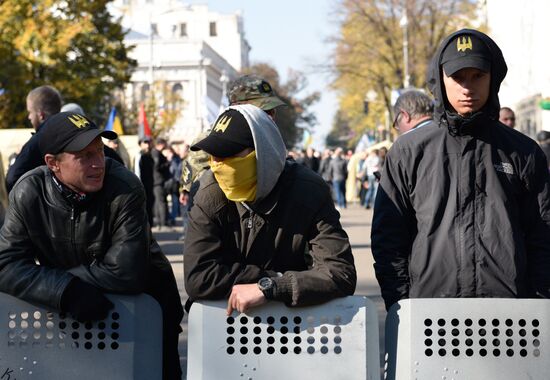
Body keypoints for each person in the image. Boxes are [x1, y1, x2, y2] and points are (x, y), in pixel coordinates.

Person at [372, 29, 550, 311]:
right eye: (458, 77)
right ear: (440, 80)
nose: (468, 87)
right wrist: (402, 305)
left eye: (478, 76)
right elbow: (389, 240)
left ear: (493, 78)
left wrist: (539, 306)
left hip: (510, 316)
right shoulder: (408, 152)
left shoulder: (523, 152)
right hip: (429, 315)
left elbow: (543, 236)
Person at [0, 112, 183, 378]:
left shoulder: (124, 186)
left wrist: (63, 284)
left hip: (148, 311)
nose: (98, 163)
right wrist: (66, 291)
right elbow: (5, 264)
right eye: (84, 156)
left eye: (99, 151)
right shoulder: (29, 191)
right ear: (53, 163)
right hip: (76, 314)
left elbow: (127, 271)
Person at [184, 105, 356, 315]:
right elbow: (198, 277)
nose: (218, 164)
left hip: (291, 329)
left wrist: (273, 288)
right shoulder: (208, 193)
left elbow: (339, 273)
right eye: (214, 155)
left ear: (262, 152)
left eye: (228, 154)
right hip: (223, 325)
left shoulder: (308, 191)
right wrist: (272, 278)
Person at [6, 85, 62, 192]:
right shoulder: (72, 131)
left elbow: (12, 179)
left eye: (30, 112)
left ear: (40, 115)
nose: (29, 117)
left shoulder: (39, 140)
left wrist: (14, 160)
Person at [134, 136, 155, 227]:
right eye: (145, 143)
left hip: (150, 186)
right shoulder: (139, 156)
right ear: (140, 144)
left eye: (148, 142)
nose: (147, 145)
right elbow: (137, 172)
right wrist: (139, 186)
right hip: (142, 186)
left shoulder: (150, 155)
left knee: (150, 206)